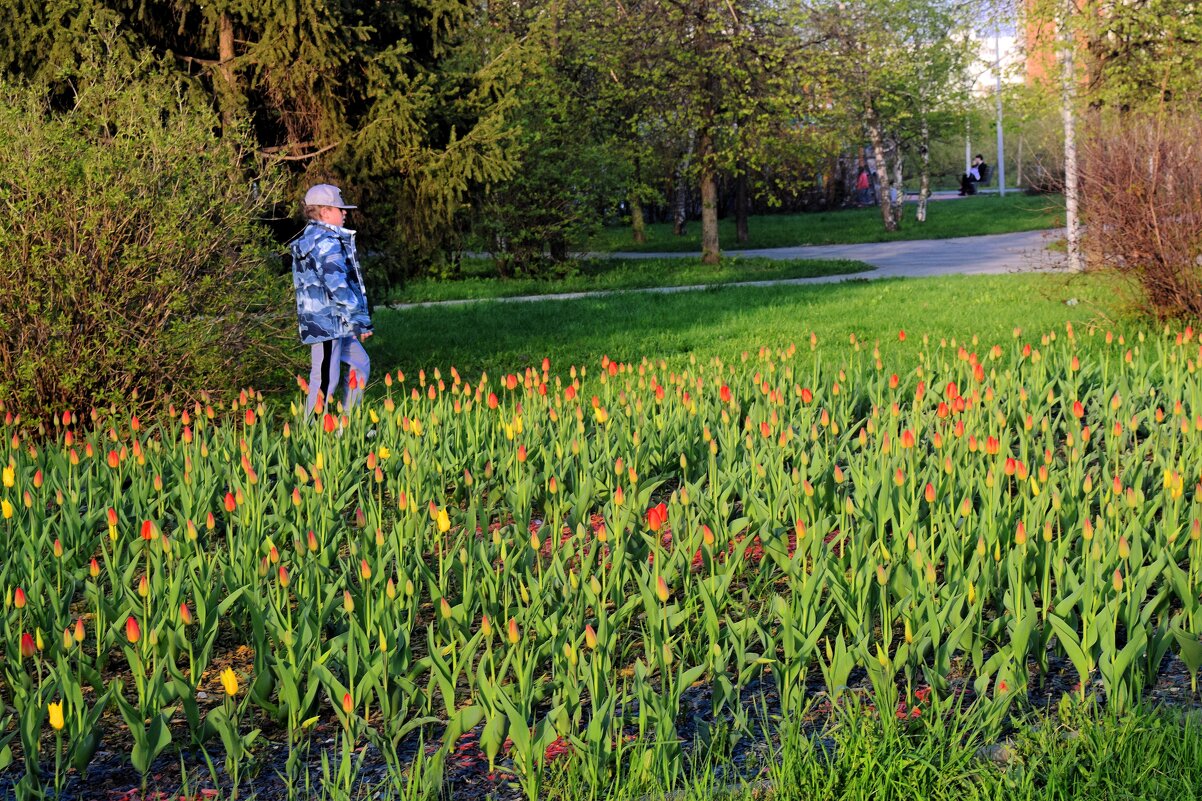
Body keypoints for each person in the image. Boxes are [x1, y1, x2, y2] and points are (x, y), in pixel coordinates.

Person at [291, 183, 373, 416]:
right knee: (326, 379)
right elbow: (338, 287)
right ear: (325, 212)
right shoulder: (325, 242)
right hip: (327, 325)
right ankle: (312, 433)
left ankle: (346, 425)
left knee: (360, 363)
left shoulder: (316, 238)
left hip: (338, 323)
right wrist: (360, 321)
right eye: (340, 209)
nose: (345, 212)